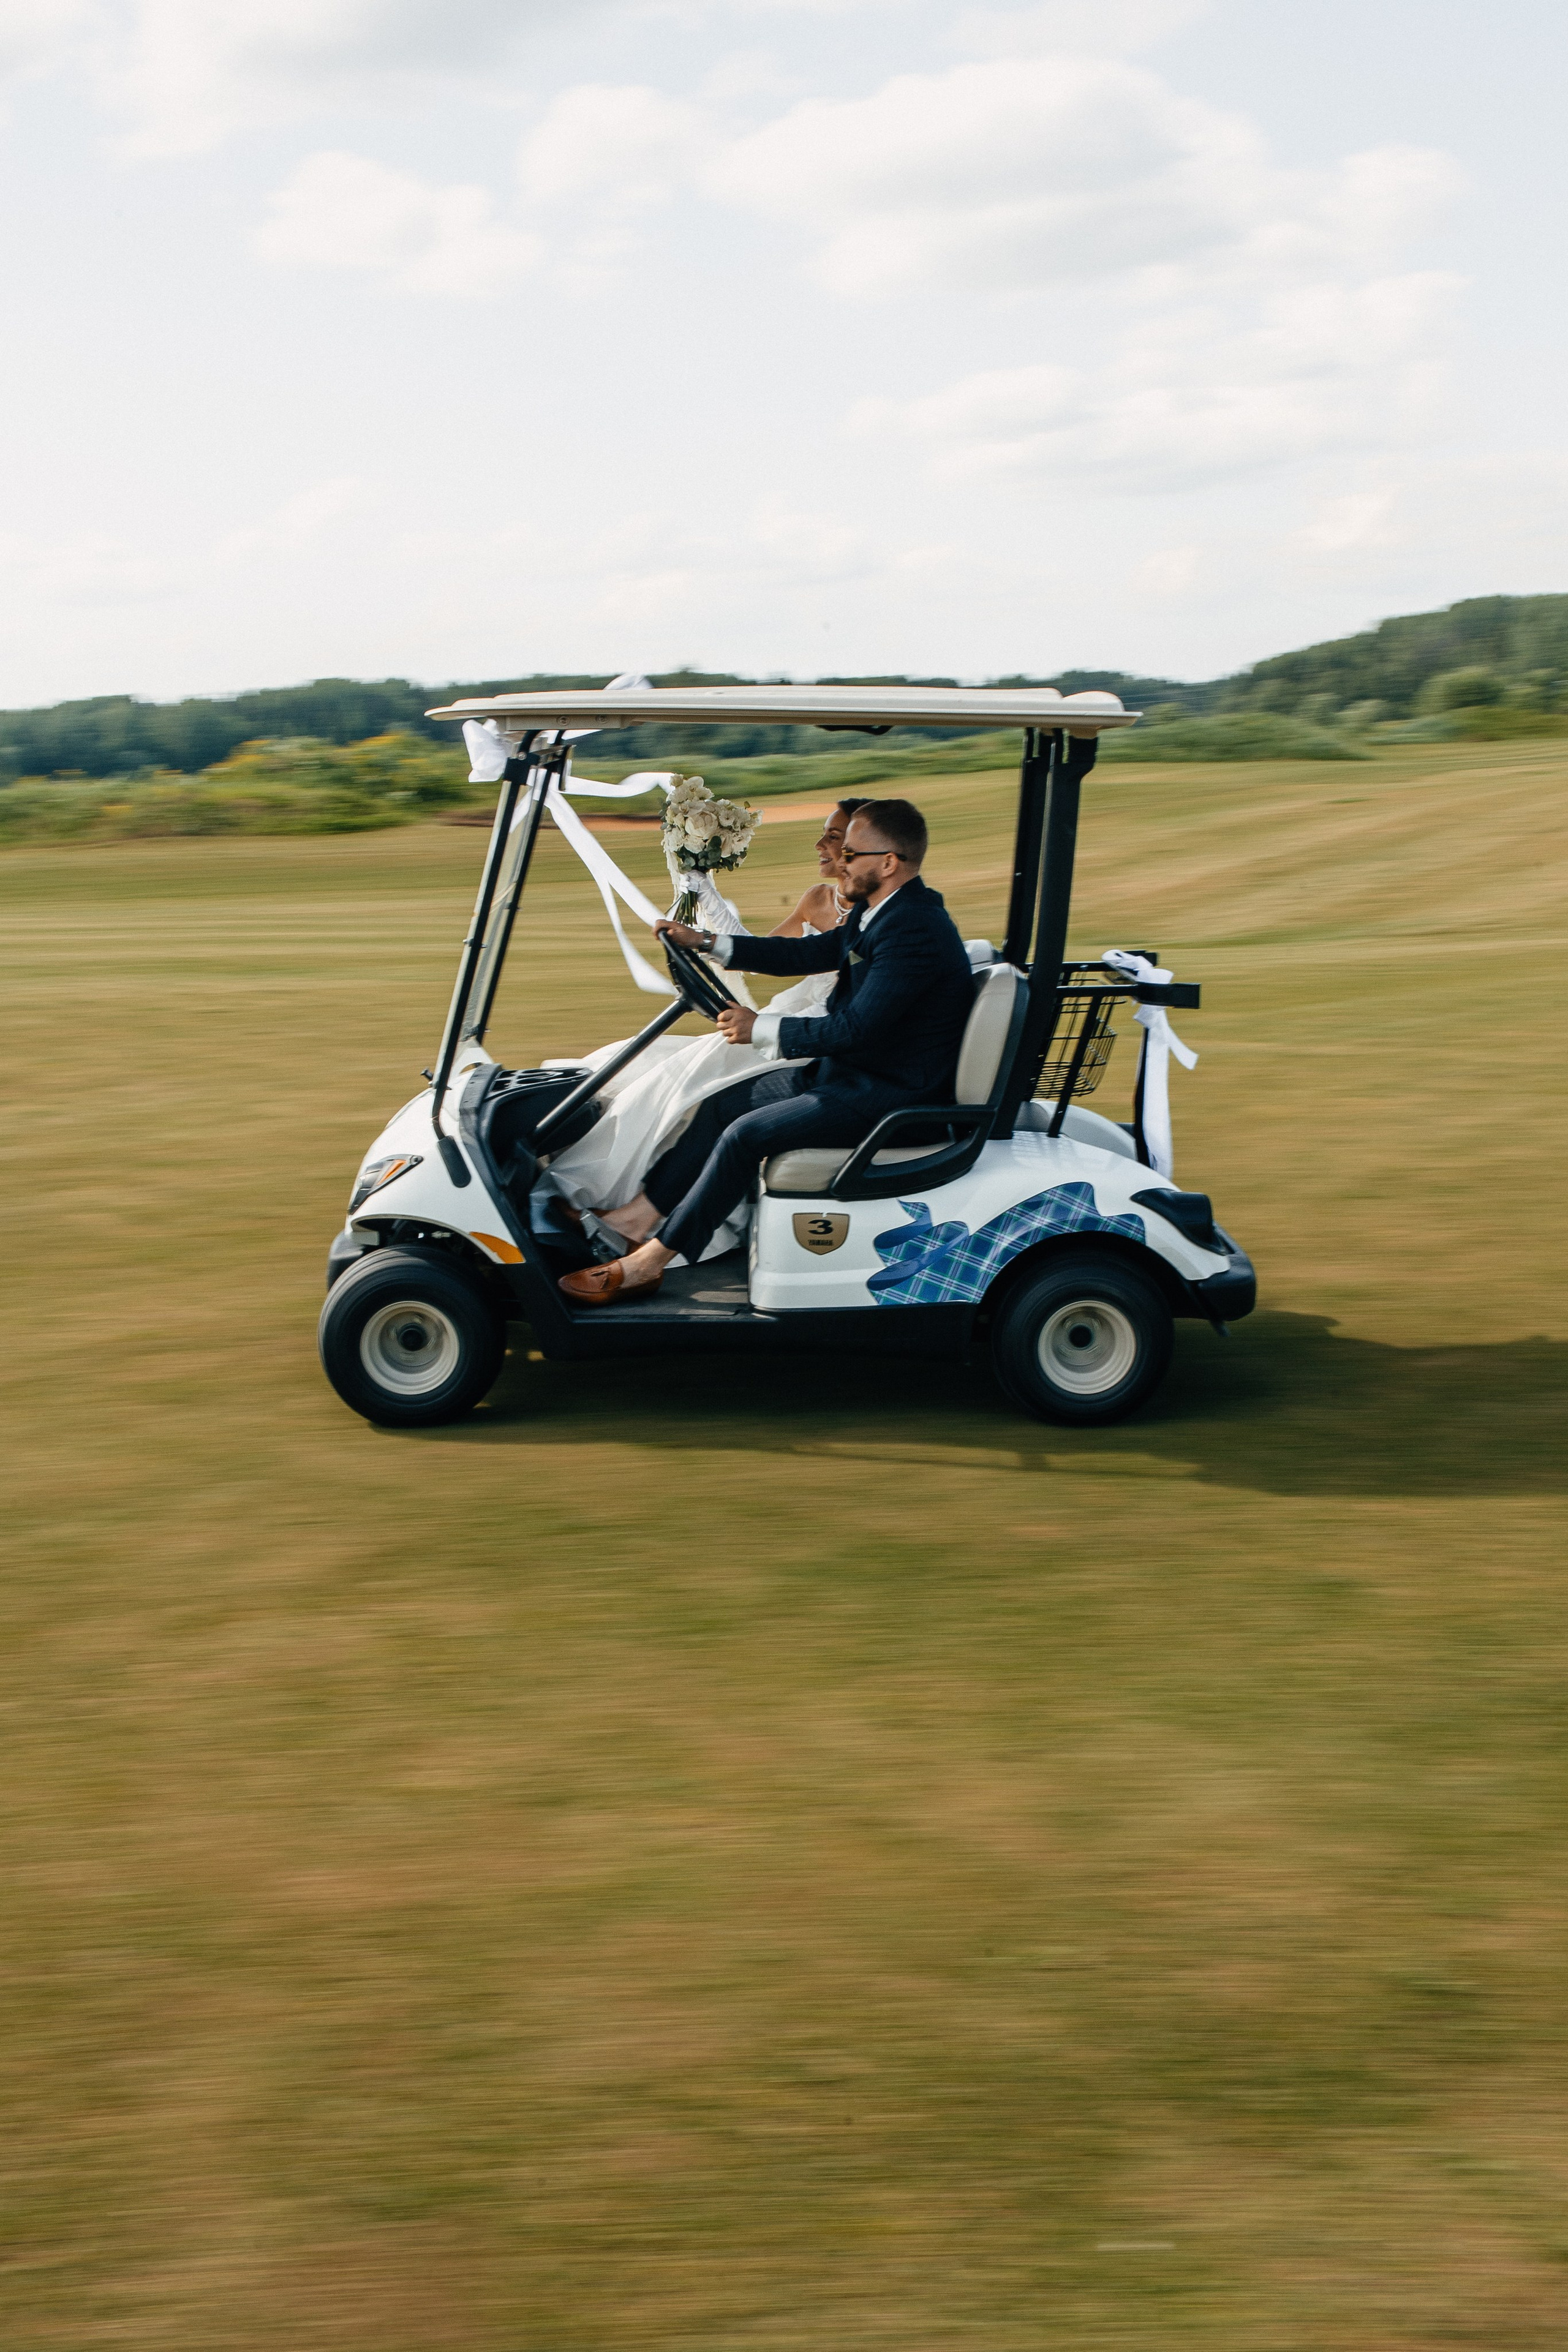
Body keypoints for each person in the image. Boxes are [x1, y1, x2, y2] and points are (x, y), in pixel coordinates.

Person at [558, 798, 975, 1305]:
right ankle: (635, 1220)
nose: (840, 861)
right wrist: (707, 942)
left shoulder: (915, 928)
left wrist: (762, 1027)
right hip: (853, 1076)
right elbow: (807, 951)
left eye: (852, 853)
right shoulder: (882, 913)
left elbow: (855, 1029)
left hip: (891, 1096)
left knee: (744, 1135)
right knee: (719, 1107)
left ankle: (650, 1262)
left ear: (889, 863)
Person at [537, 799, 872, 1259]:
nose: (821, 845)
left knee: (691, 1078)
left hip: (816, 1033)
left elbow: (850, 1011)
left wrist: (763, 1024)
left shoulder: (876, 918)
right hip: (788, 1016)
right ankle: (626, 1210)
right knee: (640, 1061)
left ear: (866, 849)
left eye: (834, 838)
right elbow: (771, 952)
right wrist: (704, 911)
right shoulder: (818, 899)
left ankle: (621, 1210)